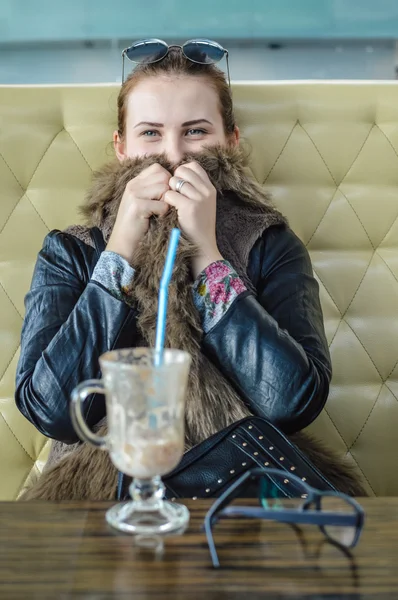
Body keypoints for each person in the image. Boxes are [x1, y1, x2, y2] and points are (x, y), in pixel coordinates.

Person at [15, 41, 363, 500]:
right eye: (151, 134)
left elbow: (291, 402)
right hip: (102, 495)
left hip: (240, 486)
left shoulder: (271, 245)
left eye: (196, 131)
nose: (175, 154)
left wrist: (207, 255)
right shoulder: (69, 251)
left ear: (231, 141)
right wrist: (120, 248)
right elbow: (51, 411)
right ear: (121, 147)